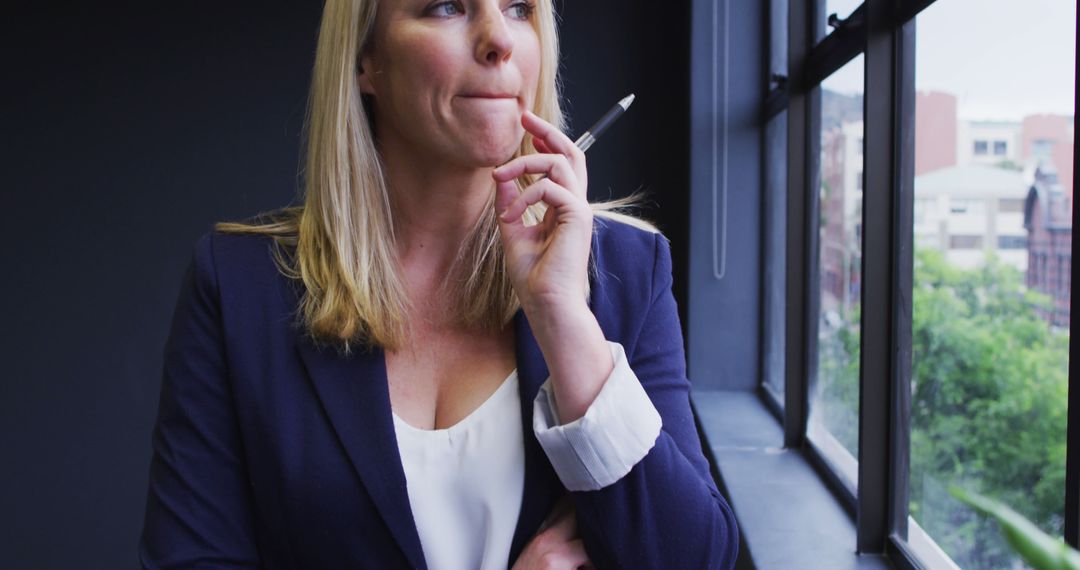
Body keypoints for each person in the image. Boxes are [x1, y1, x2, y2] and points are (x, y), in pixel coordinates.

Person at [138, 0, 740, 568]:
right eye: (447, 5)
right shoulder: (238, 287)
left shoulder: (630, 272)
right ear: (365, 59)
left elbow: (696, 559)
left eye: (519, 9)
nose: (499, 39)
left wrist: (563, 319)